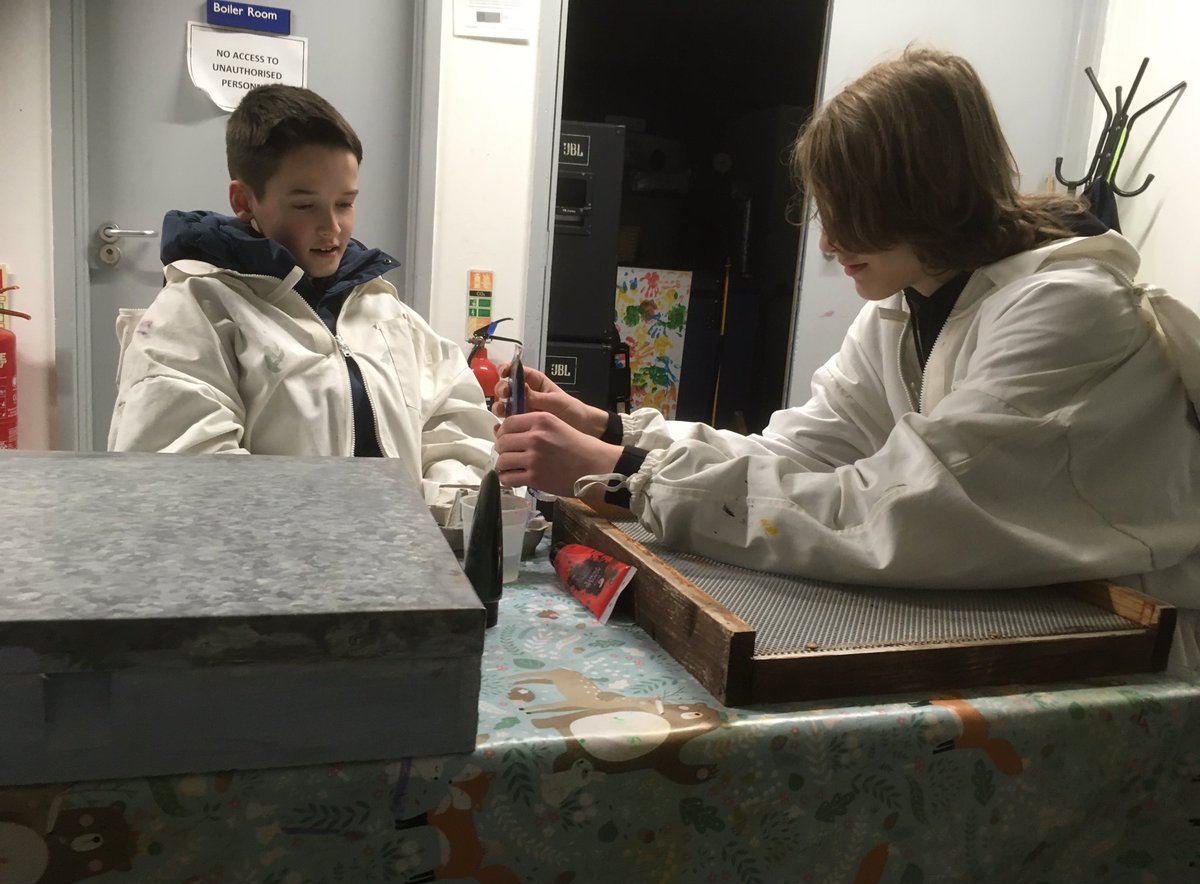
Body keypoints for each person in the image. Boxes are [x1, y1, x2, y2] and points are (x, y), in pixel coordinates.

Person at [493, 48, 1200, 676]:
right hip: (1033, 622)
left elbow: (898, 512)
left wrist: (621, 475)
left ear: (927, 195)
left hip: (1141, 649)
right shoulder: (902, 310)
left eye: (852, 211)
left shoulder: (1066, 308)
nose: (829, 242)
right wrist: (614, 431)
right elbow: (793, 459)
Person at [108, 84, 496, 491]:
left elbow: (454, 418)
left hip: (399, 547)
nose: (332, 227)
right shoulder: (195, 313)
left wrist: (440, 508)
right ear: (244, 201)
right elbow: (188, 475)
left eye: (345, 203)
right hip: (276, 553)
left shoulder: (381, 307)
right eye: (305, 205)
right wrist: (342, 531)